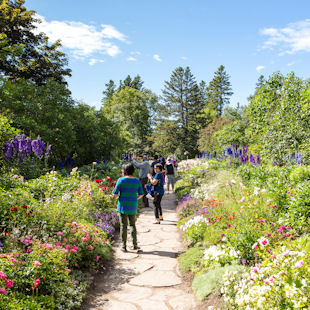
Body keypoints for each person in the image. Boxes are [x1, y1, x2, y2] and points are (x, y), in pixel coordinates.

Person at [113, 163, 144, 252]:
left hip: (122, 206)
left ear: (124, 170)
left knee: (123, 225)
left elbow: (115, 194)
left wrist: (119, 197)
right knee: (132, 225)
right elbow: (141, 194)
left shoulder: (121, 180)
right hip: (133, 205)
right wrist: (134, 198)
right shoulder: (137, 181)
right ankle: (135, 245)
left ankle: (124, 246)